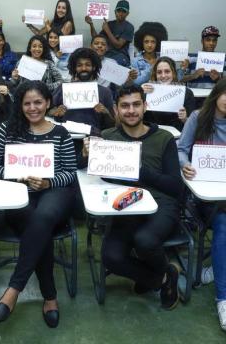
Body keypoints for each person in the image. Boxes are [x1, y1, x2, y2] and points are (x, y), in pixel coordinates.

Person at [0, 80, 77, 328]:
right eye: (27, 103)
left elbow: (70, 172)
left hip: (54, 192)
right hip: (17, 192)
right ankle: (50, 296)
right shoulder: (7, 129)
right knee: (38, 227)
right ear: (20, 105)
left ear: (48, 103)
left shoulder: (61, 133)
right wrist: (15, 176)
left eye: (38, 102)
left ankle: (14, 289)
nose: (33, 107)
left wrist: (48, 182)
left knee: (43, 216)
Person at [83, 84, 183, 310]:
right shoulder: (107, 136)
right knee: (111, 256)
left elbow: (175, 187)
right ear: (116, 109)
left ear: (145, 106)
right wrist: (87, 154)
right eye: (125, 106)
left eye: (136, 104)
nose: (131, 111)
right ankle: (164, 276)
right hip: (125, 205)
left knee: (145, 241)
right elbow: (95, 176)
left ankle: (151, 277)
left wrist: (139, 169)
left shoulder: (164, 138)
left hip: (161, 204)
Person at [178, 79, 226, 330]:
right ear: (218, 93)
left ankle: (216, 269)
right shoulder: (198, 118)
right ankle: (224, 299)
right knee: (224, 224)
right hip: (204, 196)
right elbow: (181, 149)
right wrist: (185, 164)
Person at [50, 47, 115, 136]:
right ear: (75, 68)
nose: (83, 68)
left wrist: (106, 113)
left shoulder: (105, 92)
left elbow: (112, 125)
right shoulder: (63, 88)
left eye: (88, 65)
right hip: (66, 138)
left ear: (94, 67)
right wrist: (56, 112)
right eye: (79, 65)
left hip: (93, 138)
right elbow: (47, 110)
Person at [142, 56, 195, 131]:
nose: (163, 76)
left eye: (167, 71)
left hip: (177, 136)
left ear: (173, 73)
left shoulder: (187, 93)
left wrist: (185, 119)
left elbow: (193, 125)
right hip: (153, 135)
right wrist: (141, 96)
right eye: (159, 72)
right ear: (155, 75)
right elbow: (140, 121)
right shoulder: (148, 93)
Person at [86, 0, 134, 67]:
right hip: (106, 54)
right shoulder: (110, 24)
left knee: (109, 66)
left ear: (127, 13)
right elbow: (96, 38)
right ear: (115, 12)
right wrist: (91, 24)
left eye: (124, 11)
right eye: (119, 11)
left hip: (120, 56)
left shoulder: (129, 27)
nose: (120, 13)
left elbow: (118, 45)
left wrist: (107, 30)